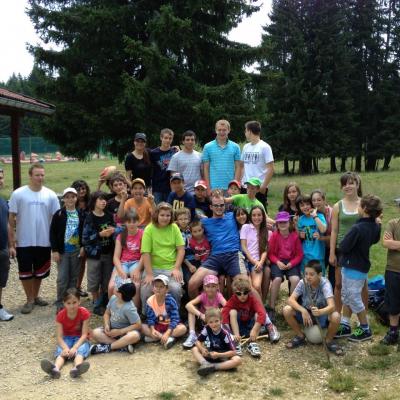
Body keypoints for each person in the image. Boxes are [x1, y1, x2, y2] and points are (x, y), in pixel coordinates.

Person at [8, 163, 60, 314]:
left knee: (40, 271)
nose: (40, 178)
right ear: (30, 176)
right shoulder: (19, 194)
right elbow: (11, 217)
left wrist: (55, 241)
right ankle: (29, 299)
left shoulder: (50, 194)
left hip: (44, 240)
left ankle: (35, 296)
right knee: (25, 271)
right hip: (24, 240)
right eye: (37, 175)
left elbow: (57, 218)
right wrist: (12, 239)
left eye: (42, 175)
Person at [335, 194, 382, 342]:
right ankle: (345, 324)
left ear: (365, 209)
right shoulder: (375, 225)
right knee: (347, 295)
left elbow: (343, 246)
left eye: (360, 205)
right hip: (361, 267)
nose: (358, 207)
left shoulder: (357, 227)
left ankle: (365, 328)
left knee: (354, 297)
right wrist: (378, 223)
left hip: (352, 267)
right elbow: (375, 239)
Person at [188, 190, 248, 299]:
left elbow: (247, 199)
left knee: (245, 285)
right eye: (216, 205)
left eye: (221, 205)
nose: (219, 208)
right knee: (192, 284)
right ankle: (199, 312)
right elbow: (191, 227)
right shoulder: (205, 222)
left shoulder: (232, 216)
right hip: (215, 257)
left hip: (233, 255)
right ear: (211, 207)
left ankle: (261, 313)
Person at [283, 260, 343, 355]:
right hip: (307, 312)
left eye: (312, 274)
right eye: (306, 273)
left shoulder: (325, 284)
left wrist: (320, 312)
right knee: (287, 310)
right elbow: (290, 300)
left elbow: (332, 306)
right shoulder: (303, 282)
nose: (308, 277)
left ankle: (329, 341)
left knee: (336, 316)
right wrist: (303, 310)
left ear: (319, 275)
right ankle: (300, 336)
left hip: (322, 313)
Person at [140, 202, 185, 310]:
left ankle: (174, 314)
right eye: (162, 215)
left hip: (171, 267)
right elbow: (145, 253)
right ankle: (146, 315)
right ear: (157, 215)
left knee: (175, 288)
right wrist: (149, 274)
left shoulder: (174, 227)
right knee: (146, 288)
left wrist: (176, 268)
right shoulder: (149, 229)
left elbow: (181, 249)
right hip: (153, 267)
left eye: (168, 215)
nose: (165, 218)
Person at [329, 172, 362, 312]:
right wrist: (332, 253)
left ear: (357, 184)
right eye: (344, 184)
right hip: (342, 249)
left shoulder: (364, 204)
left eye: (351, 183)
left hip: (359, 249)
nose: (347, 186)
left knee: (362, 284)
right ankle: (338, 316)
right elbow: (334, 231)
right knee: (339, 284)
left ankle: (363, 316)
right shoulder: (338, 206)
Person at [222, 278, 280, 358]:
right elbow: (224, 312)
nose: (242, 296)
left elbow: (262, 313)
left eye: (245, 293)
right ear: (235, 293)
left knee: (258, 314)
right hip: (239, 328)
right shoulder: (233, 299)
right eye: (239, 293)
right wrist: (228, 332)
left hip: (251, 326)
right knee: (232, 312)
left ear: (248, 292)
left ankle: (253, 342)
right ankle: (236, 341)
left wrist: (255, 329)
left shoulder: (252, 299)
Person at [40, 288, 90, 378]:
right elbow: (59, 337)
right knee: (61, 353)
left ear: (79, 301)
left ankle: (77, 368)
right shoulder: (60, 315)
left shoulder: (84, 313)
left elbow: (84, 334)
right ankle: (55, 369)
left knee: (80, 351)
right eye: (68, 303)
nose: (72, 306)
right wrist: (66, 348)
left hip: (80, 339)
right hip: (66, 338)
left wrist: (75, 348)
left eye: (74, 302)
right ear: (64, 303)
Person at [50, 187, 85, 312]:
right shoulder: (59, 214)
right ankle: (60, 301)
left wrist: (83, 246)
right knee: (62, 278)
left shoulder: (80, 214)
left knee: (74, 277)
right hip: (63, 251)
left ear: (76, 198)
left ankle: (71, 301)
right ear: (63, 199)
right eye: (67, 197)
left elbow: (83, 232)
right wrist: (55, 250)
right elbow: (53, 233)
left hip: (76, 251)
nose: (70, 199)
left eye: (73, 197)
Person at [82, 191, 115, 315]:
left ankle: (103, 301)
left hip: (108, 253)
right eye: (100, 199)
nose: (103, 201)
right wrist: (99, 234)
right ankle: (96, 301)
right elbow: (85, 238)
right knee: (94, 279)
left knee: (106, 279)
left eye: (105, 199)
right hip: (94, 254)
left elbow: (115, 229)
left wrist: (114, 230)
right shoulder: (89, 217)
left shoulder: (109, 215)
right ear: (94, 201)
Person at [268, 211, 303, 322]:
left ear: (289, 223)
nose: (282, 224)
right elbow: (271, 253)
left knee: (295, 279)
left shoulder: (294, 236)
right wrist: (277, 262)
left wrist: (291, 263)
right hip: (278, 261)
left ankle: (292, 305)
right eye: (280, 223)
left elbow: (299, 254)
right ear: (277, 224)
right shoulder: (274, 236)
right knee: (277, 279)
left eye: (285, 222)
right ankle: (272, 307)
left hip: (291, 262)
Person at [90, 281, 141, 354]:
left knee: (135, 336)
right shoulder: (113, 298)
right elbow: (107, 314)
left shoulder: (129, 308)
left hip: (124, 334)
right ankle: (122, 346)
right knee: (95, 333)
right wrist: (107, 324)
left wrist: (120, 332)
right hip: (112, 331)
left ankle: (107, 347)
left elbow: (138, 324)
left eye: (117, 287)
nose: (115, 287)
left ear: (120, 294)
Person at [108, 210, 143, 308]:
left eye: (134, 221)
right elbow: (116, 257)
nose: (131, 224)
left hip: (136, 262)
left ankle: (135, 312)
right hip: (122, 263)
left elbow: (144, 254)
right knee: (112, 286)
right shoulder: (121, 236)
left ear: (138, 222)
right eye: (129, 222)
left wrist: (138, 269)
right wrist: (120, 270)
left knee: (136, 285)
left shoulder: (142, 234)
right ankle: (112, 310)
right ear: (125, 223)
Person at [192, 307, 241, 376]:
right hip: (212, 352)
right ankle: (205, 364)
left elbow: (233, 352)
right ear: (207, 322)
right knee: (195, 349)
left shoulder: (225, 333)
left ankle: (214, 366)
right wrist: (202, 349)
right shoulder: (207, 328)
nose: (214, 324)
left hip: (224, 355)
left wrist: (219, 355)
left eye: (216, 321)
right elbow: (197, 341)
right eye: (211, 322)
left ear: (221, 320)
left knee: (237, 360)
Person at [141, 275, 187, 349]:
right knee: (141, 327)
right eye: (156, 286)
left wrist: (168, 332)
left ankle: (156, 338)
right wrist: (152, 330)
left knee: (183, 329)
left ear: (167, 289)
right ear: (153, 288)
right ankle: (167, 339)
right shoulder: (150, 301)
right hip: (157, 326)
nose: (158, 289)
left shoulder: (170, 301)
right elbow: (150, 319)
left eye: (161, 287)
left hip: (170, 327)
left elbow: (175, 319)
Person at [183, 274, 226, 349]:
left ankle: (215, 336)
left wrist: (220, 311)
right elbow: (188, 305)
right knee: (192, 309)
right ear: (204, 287)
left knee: (224, 310)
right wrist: (201, 315)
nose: (210, 289)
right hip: (203, 321)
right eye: (208, 286)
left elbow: (227, 306)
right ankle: (192, 334)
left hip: (214, 323)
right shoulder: (203, 296)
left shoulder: (218, 296)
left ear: (217, 287)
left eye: (213, 286)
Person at [239, 121, 274, 209]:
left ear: (250, 131)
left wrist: (263, 186)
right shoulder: (246, 147)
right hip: (245, 187)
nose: (245, 133)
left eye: (245, 131)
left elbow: (271, 168)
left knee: (260, 214)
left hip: (258, 188)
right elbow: (241, 166)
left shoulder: (265, 147)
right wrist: (240, 182)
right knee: (244, 212)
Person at [202, 120, 241, 191]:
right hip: (214, 188)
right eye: (219, 130)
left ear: (229, 130)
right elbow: (206, 168)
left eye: (224, 130)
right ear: (216, 130)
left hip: (230, 188)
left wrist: (235, 187)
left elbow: (238, 167)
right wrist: (208, 187)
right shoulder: (207, 147)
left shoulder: (236, 147)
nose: (221, 132)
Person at [240, 205, 269, 299]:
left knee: (256, 286)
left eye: (259, 215)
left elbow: (265, 250)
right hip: (245, 261)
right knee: (248, 287)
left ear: (263, 216)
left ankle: (261, 310)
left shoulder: (266, 231)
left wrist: (260, 262)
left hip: (257, 263)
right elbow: (244, 246)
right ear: (250, 216)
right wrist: (253, 261)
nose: (256, 217)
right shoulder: (246, 227)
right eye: (254, 215)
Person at [381, 203, 400, 345]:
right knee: (393, 303)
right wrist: (390, 242)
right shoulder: (393, 223)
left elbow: (391, 243)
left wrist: (395, 243)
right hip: (393, 269)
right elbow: (386, 243)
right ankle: (393, 332)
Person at [296, 194, 327, 273]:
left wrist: (314, 216)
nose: (305, 207)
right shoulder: (301, 219)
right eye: (302, 205)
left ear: (311, 205)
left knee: (319, 279)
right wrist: (300, 234)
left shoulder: (319, 216)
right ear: (299, 207)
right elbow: (298, 235)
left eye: (307, 204)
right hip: (305, 254)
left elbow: (323, 229)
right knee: (306, 278)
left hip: (318, 254)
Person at [71, 179, 91, 297]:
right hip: (75, 237)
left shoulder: (90, 203)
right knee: (74, 263)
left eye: (83, 188)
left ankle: (78, 286)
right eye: (78, 189)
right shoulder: (71, 203)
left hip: (88, 237)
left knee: (83, 263)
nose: (81, 191)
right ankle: (71, 287)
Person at [311, 189, 334, 287]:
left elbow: (334, 235)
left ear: (324, 200)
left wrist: (321, 238)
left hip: (332, 247)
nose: (316, 203)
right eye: (314, 200)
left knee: (333, 277)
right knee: (319, 272)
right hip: (320, 248)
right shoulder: (312, 213)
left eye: (319, 200)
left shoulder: (331, 213)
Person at [0, 168, 14, 321]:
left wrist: (11, 245)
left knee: (1, 280)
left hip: (2, 248)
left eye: (1, 178)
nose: (0, 180)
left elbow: (8, 224)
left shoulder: (3, 201)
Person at [150, 128, 178, 204]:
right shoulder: (153, 153)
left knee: (169, 211)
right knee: (158, 211)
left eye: (170, 138)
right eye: (165, 138)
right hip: (157, 188)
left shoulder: (175, 152)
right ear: (161, 138)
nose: (168, 140)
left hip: (170, 187)